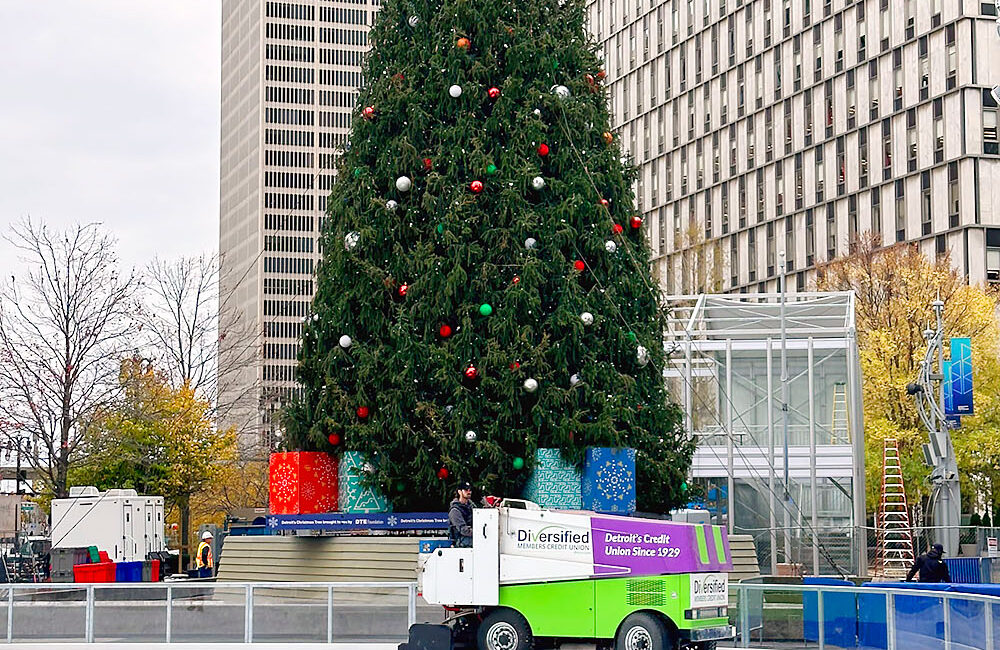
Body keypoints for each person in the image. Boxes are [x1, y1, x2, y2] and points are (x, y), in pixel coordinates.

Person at [448, 482, 475, 547]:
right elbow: (463, 530)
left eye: (470, 490)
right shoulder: (455, 511)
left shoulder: (472, 506)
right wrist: (479, 533)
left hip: (471, 537)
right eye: (466, 490)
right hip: (461, 540)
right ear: (459, 492)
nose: (469, 492)